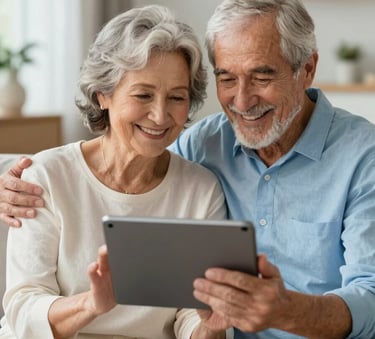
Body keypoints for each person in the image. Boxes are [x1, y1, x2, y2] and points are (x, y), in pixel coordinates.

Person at [1, 0, 375, 338]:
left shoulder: (362, 157)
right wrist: (10, 179)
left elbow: (370, 298)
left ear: (307, 69)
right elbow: (135, 158)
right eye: (227, 78)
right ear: (103, 92)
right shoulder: (206, 144)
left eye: (262, 76)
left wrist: (285, 312)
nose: (242, 100)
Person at [0, 5, 228, 339]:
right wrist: (91, 304)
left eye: (176, 97)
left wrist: (210, 326)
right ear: (102, 94)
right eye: (143, 95)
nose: (160, 115)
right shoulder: (46, 177)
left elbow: (189, 317)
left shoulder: (201, 190)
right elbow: (22, 309)